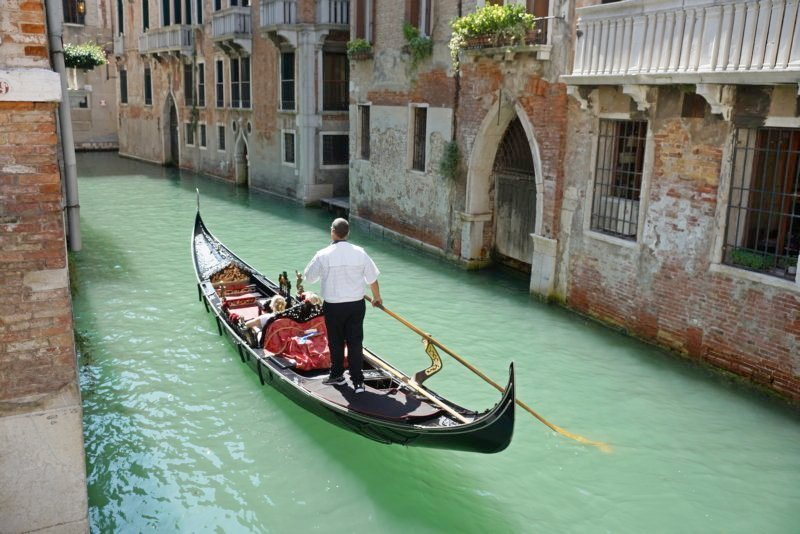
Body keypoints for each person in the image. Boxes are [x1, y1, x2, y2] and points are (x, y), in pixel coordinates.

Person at [303, 218, 382, 394]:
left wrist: (324, 272)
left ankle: (337, 375)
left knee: (336, 341)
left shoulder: (323, 254)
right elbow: (372, 279)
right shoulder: (360, 253)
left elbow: (309, 278)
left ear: (332, 232)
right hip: (356, 305)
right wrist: (377, 298)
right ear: (347, 233)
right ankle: (358, 381)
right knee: (355, 341)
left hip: (334, 306)